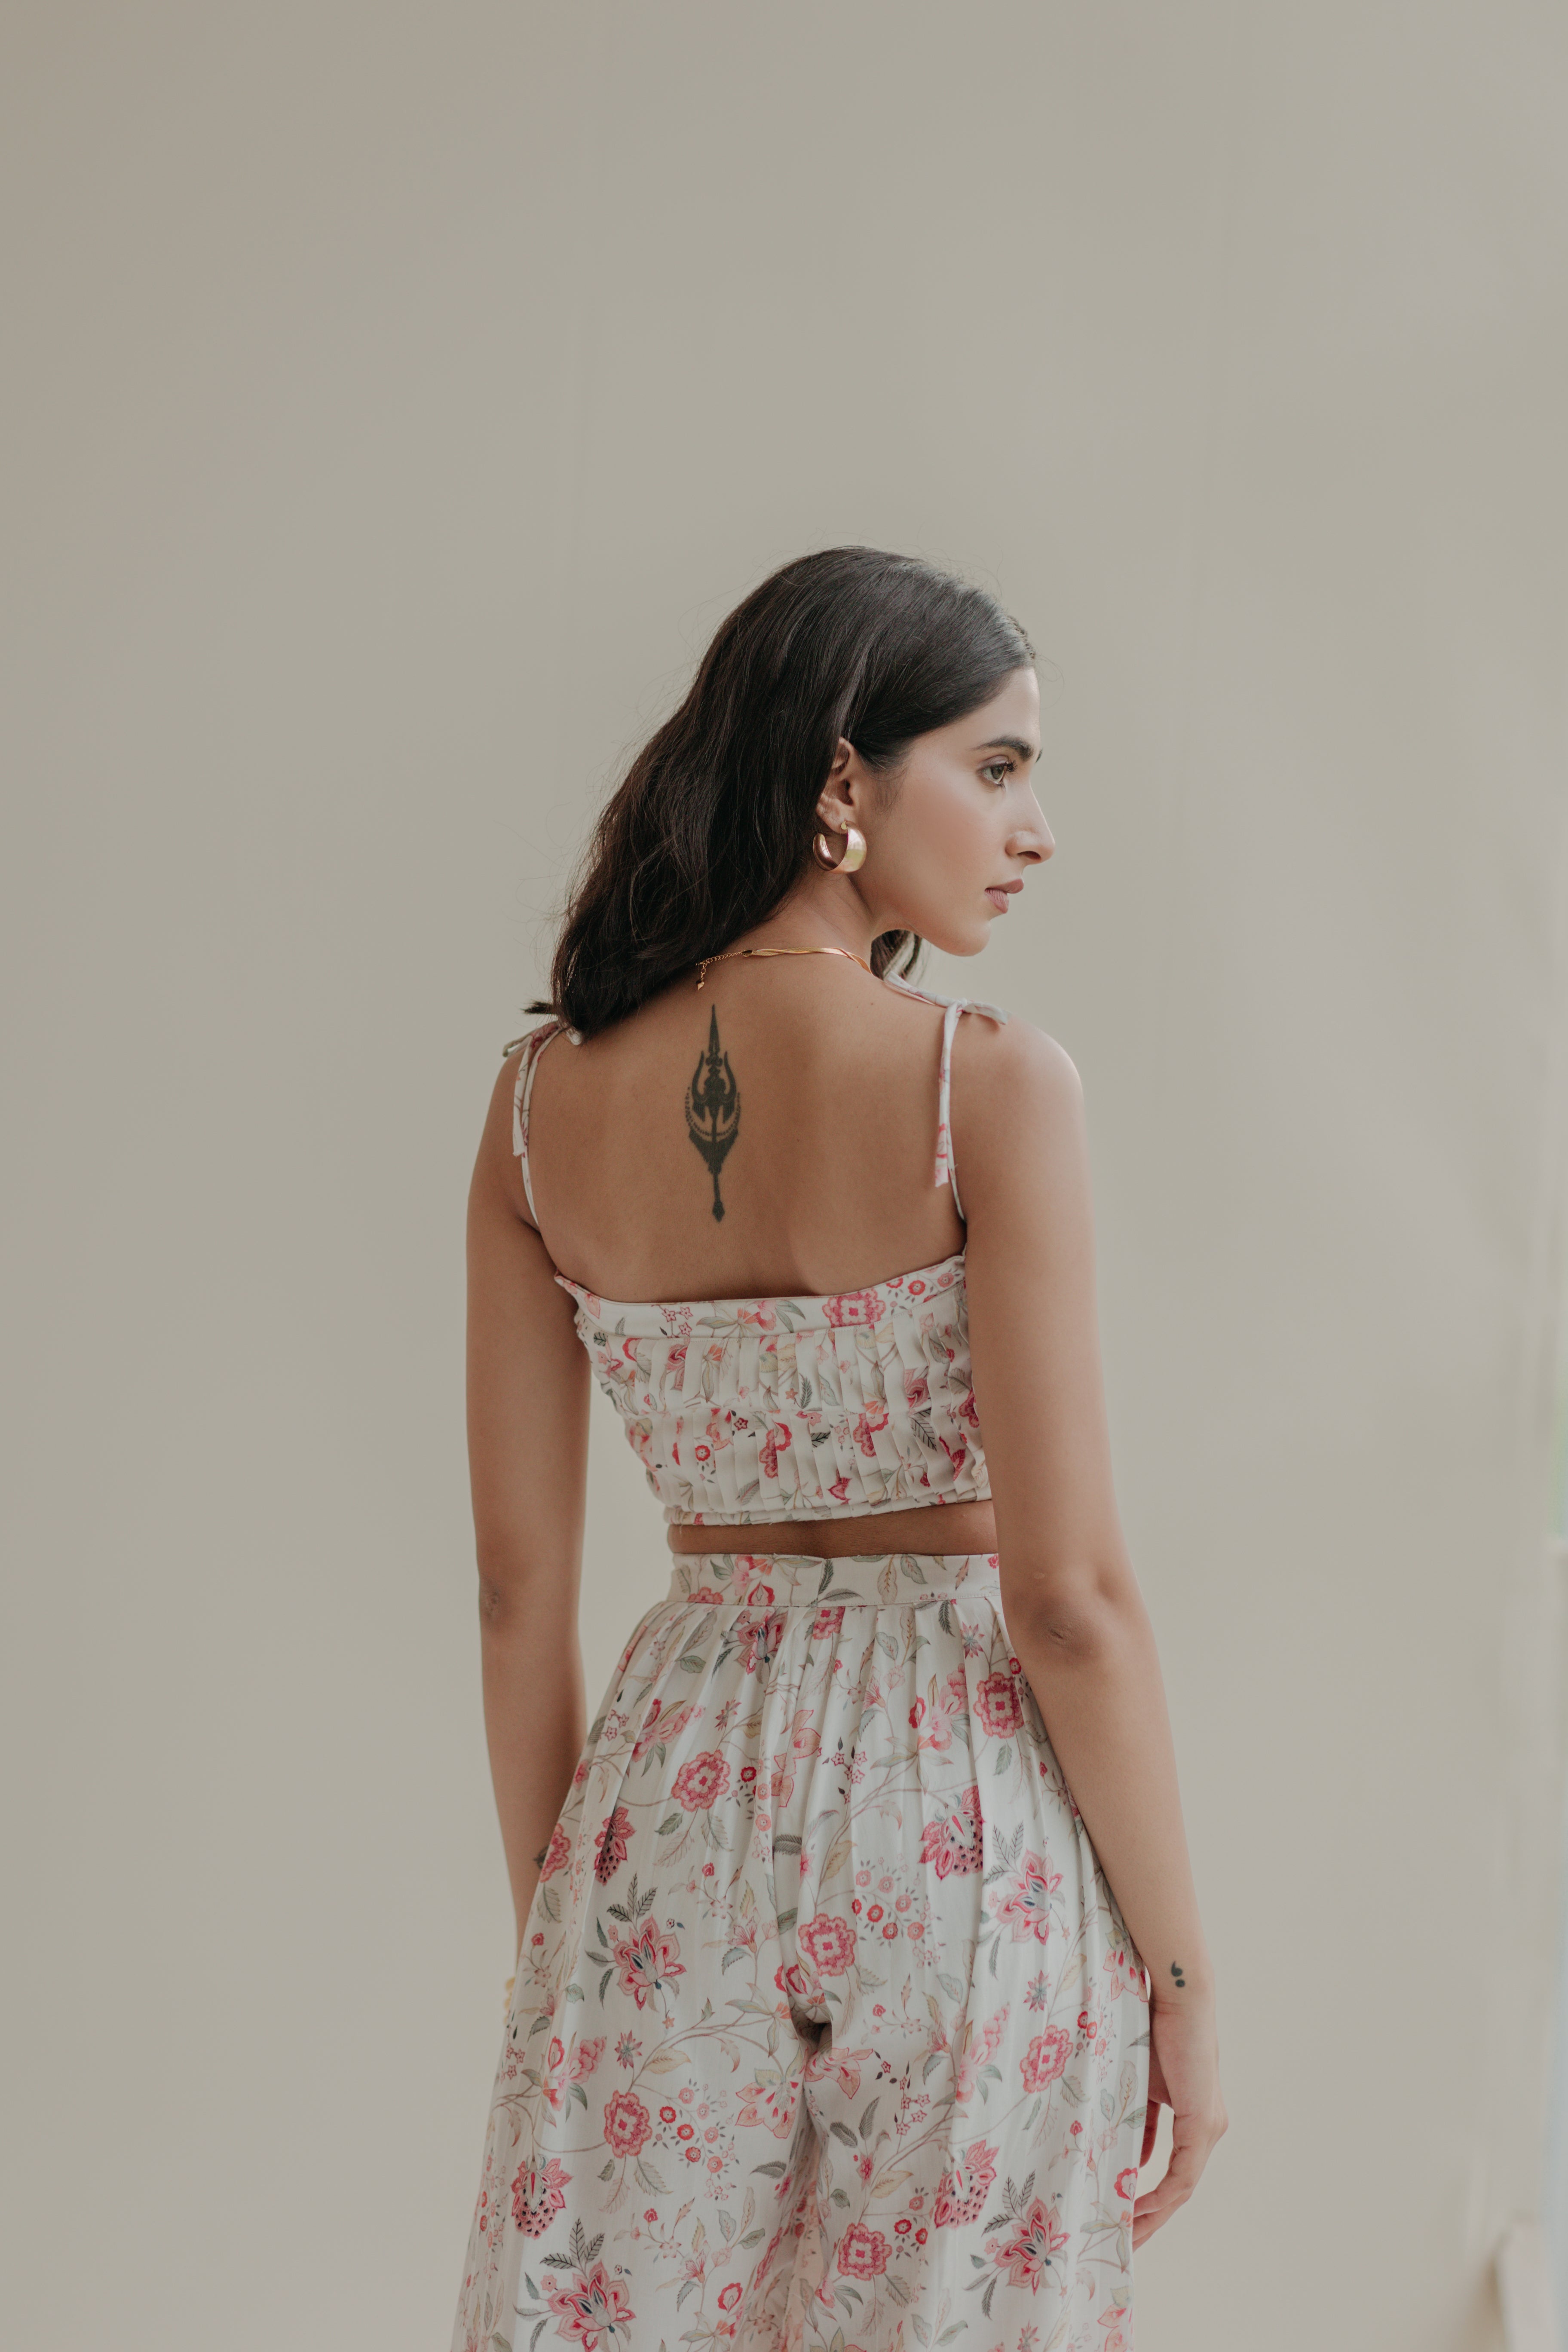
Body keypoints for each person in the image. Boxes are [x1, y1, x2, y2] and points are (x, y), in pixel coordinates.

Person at [451, 547, 1225, 2352]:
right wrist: (1183, 1980)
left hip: (665, 1797)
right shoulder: (986, 1086)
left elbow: (512, 1596)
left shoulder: (537, 1109)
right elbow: (1068, 1600)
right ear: (841, 779)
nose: (1035, 832)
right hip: (960, 1813)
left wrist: (569, 1931)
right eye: (998, 767)